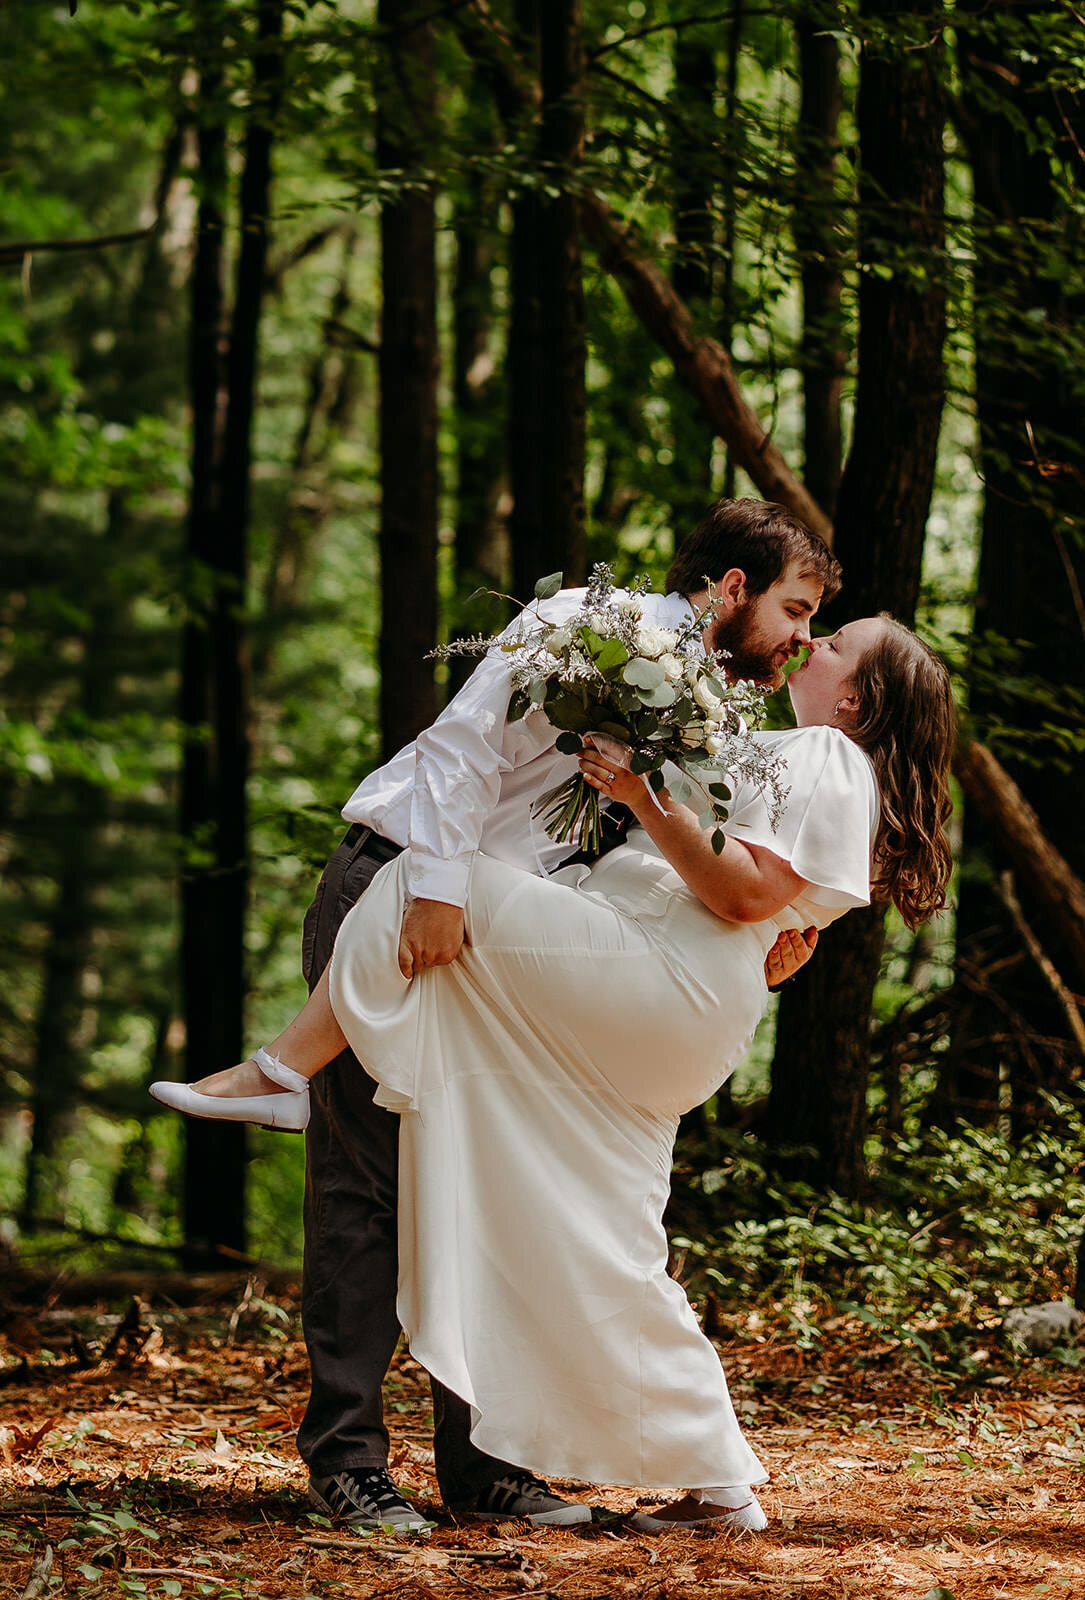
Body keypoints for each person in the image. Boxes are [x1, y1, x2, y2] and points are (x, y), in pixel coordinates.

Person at [153, 608, 956, 1535]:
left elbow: (748, 893)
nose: (810, 645)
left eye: (834, 643)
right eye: (806, 622)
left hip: (654, 977)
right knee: (599, 1239)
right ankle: (717, 1482)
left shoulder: (823, 756)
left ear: (855, 697)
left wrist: (646, 797)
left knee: (423, 876)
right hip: (664, 1002)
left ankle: (284, 1068)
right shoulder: (808, 759)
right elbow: (778, 912)